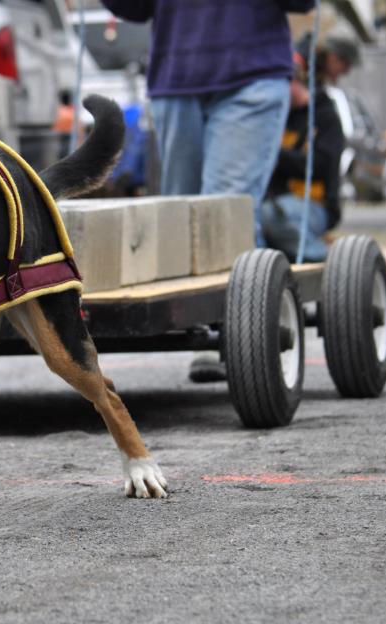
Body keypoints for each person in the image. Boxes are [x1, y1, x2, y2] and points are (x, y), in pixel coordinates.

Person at [100, 0, 315, 383]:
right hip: (176, 78)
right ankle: (212, 331)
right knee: (180, 215)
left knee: (225, 209)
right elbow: (133, 7)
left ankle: (241, 341)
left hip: (253, 73)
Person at [261, 39, 346, 263]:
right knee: (253, 217)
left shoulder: (325, 117)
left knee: (270, 216)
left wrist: (273, 154)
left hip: (316, 205)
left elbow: (320, 166)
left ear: (295, 81)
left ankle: (332, 260)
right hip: (278, 202)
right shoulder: (274, 117)